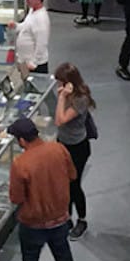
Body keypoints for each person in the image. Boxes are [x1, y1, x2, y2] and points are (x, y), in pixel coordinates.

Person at [6, 117, 81, 261]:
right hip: (60, 217)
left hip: (33, 222)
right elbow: (72, 175)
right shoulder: (58, 149)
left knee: (30, 258)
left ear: (22, 140)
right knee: (64, 257)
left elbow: (16, 198)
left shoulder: (20, 163)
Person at [52, 63, 95, 240]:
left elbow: (60, 120)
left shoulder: (80, 99)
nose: (58, 87)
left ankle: (82, 219)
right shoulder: (67, 94)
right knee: (64, 183)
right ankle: (66, 216)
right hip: (63, 143)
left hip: (77, 147)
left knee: (74, 185)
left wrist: (62, 97)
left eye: (60, 83)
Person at [15, 0, 50, 75]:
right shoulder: (32, 11)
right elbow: (26, 26)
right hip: (25, 62)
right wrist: (16, 26)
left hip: (34, 65)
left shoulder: (41, 18)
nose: (27, 0)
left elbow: (41, 43)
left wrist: (33, 63)